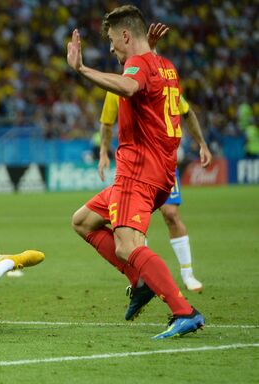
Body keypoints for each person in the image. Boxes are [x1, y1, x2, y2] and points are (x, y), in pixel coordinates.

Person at [66, 5, 205, 339]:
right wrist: (149, 51)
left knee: (128, 245)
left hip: (138, 171)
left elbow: (129, 87)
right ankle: (139, 281)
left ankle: (183, 311)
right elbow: (147, 81)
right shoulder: (165, 65)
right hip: (161, 173)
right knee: (82, 221)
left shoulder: (138, 64)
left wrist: (82, 68)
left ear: (126, 35)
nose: (112, 48)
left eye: (113, 41)